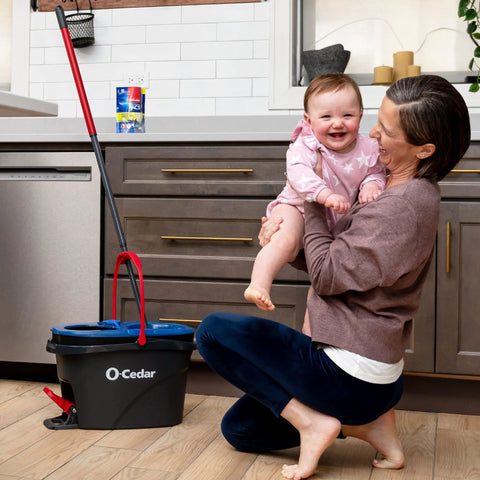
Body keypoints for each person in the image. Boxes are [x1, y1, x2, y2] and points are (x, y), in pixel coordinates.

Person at [196, 74, 471, 480]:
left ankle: (315, 423)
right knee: (241, 429)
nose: (373, 133)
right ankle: (365, 423)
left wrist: (308, 201)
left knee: (213, 332)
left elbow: (325, 276)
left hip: (348, 370)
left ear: (424, 148)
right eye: (378, 120)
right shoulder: (404, 185)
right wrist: (286, 240)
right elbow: (343, 263)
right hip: (373, 376)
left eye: (387, 130)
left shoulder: (399, 207)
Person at [244, 74, 385, 311]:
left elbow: (376, 171)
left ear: (360, 115)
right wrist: (324, 195)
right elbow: (297, 173)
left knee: (320, 258)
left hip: (331, 221)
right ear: (309, 121)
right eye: (326, 116)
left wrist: (372, 185)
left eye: (347, 115)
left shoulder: (369, 148)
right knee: (284, 241)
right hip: (295, 207)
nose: (337, 123)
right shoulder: (308, 144)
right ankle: (259, 284)